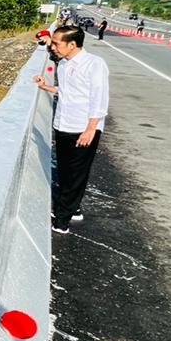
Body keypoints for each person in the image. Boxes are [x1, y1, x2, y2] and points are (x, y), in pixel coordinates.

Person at [33, 25, 109, 234]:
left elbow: (99, 100)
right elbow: (67, 92)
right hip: (63, 124)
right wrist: (45, 86)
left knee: (76, 174)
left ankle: (62, 221)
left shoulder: (94, 65)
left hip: (82, 128)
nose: (53, 47)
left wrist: (90, 129)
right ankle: (73, 209)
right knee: (65, 171)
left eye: (56, 43)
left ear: (72, 44)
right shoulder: (64, 64)